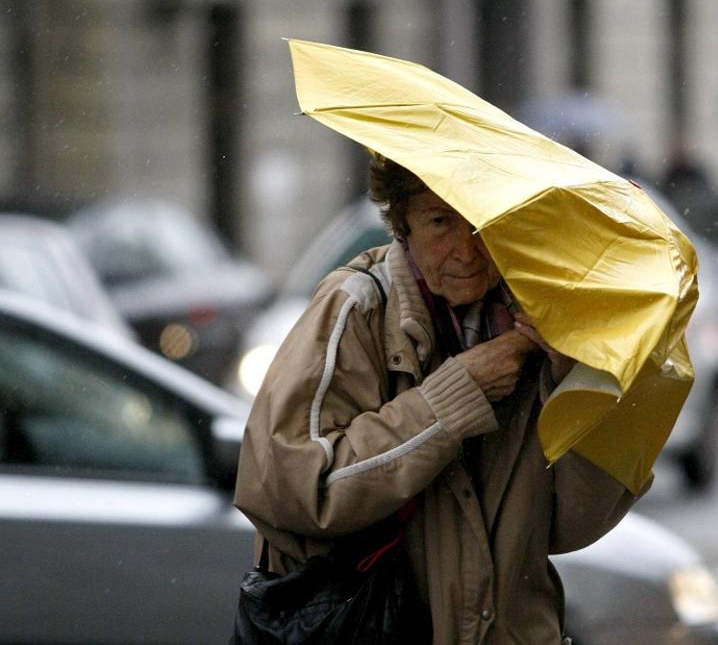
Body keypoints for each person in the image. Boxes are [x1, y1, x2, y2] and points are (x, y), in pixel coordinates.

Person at [233, 153, 648, 644]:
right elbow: (294, 491)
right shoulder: (356, 309)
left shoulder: (541, 322)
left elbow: (570, 527)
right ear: (402, 224)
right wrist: (452, 399)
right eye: (439, 221)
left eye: (481, 221)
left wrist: (571, 382)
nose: (467, 250)